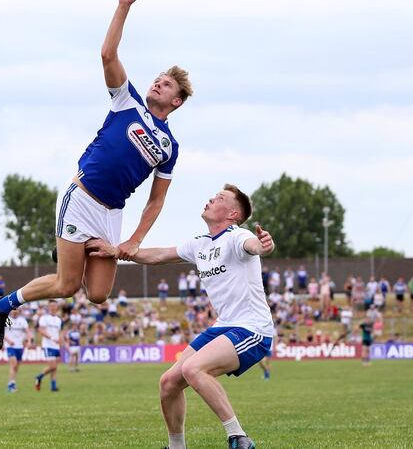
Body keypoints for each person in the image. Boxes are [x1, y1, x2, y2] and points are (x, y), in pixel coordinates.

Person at [0, 0, 193, 350]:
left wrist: (133, 242)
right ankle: (3, 306)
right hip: (82, 199)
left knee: (97, 294)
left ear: (177, 102)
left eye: (167, 85)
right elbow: (107, 55)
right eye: (157, 80)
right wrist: (123, 7)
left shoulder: (169, 147)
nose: (158, 84)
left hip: (111, 214)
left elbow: (156, 202)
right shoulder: (127, 102)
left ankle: (71, 251)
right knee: (67, 286)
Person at [86, 184, 273, 449]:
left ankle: (238, 436)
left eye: (219, 198)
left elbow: (254, 246)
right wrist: (116, 250)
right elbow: (158, 254)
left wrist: (264, 245)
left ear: (232, 214)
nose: (210, 198)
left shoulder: (237, 236)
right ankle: (176, 447)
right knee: (168, 383)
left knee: (193, 368)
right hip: (223, 326)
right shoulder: (200, 244)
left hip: (252, 329)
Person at [35, 301, 63, 392]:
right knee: (53, 366)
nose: (53, 308)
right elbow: (41, 330)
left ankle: (53, 386)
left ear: (57, 307)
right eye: (51, 306)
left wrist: (60, 341)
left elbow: (59, 333)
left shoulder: (58, 320)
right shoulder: (44, 318)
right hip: (48, 345)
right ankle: (39, 377)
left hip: (56, 346)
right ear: (48, 307)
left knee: (55, 368)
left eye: (54, 306)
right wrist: (52, 338)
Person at [4, 309, 31, 392]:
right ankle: (11, 385)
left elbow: (28, 332)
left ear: (19, 311)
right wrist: (8, 340)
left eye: (16, 310)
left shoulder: (22, 321)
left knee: (16, 366)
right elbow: (2, 332)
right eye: (13, 310)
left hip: (19, 346)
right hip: (10, 346)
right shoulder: (7, 320)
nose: (14, 311)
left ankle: (11, 383)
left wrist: (29, 341)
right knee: (14, 364)